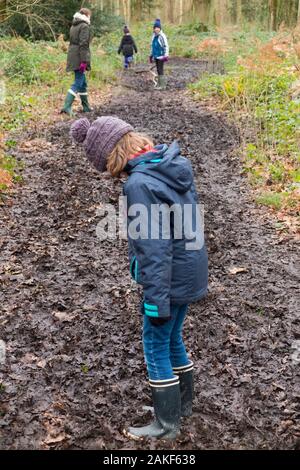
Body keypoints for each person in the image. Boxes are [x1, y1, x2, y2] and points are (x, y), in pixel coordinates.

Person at [70, 116, 208, 440]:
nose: (113, 175)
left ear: (112, 155)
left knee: (155, 342)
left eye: (107, 166)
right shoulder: (168, 166)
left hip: (169, 280)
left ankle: (166, 424)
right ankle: (180, 405)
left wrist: (155, 299)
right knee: (173, 338)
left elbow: (155, 249)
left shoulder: (139, 185)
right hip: (188, 272)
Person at [61, 8, 92, 116]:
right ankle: (66, 106)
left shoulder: (74, 25)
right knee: (78, 82)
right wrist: (84, 61)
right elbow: (83, 44)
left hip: (73, 55)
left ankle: (86, 107)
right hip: (79, 57)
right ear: (86, 15)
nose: (90, 18)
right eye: (90, 15)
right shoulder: (84, 26)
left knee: (83, 83)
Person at [149, 18, 169, 90]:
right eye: (155, 28)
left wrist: (166, 55)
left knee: (160, 69)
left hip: (161, 56)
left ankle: (162, 85)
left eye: (158, 28)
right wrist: (151, 55)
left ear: (160, 28)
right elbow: (152, 46)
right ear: (153, 29)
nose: (156, 29)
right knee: (158, 69)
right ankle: (159, 84)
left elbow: (165, 45)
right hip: (156, 56)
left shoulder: (162, 36)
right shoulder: (153, 36)